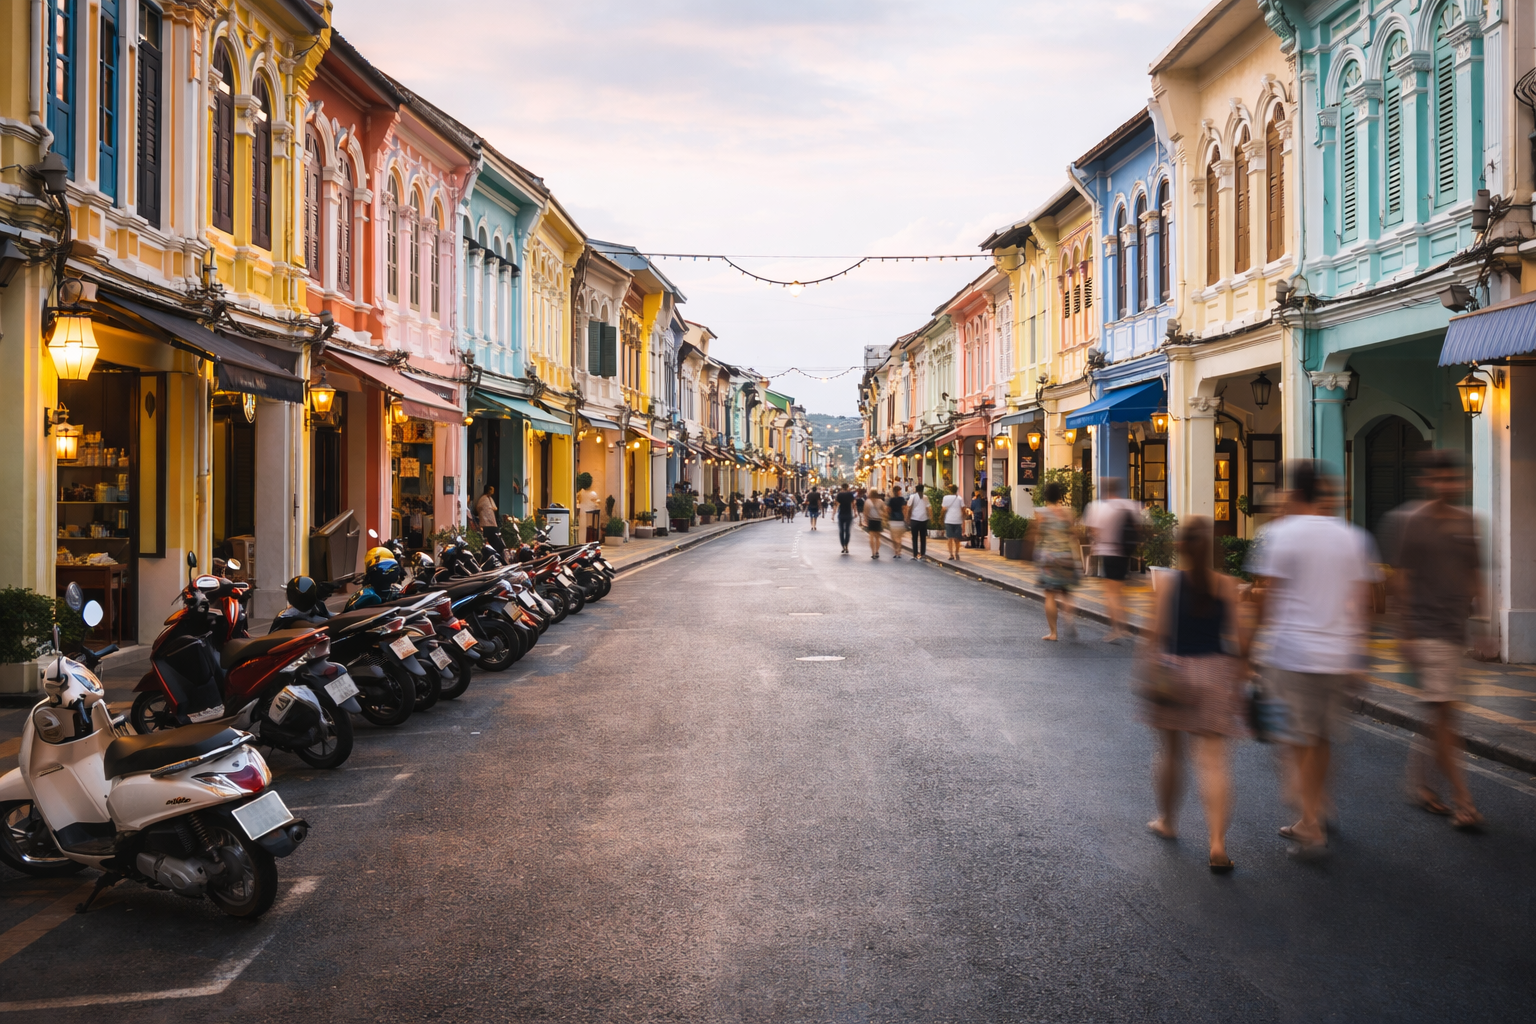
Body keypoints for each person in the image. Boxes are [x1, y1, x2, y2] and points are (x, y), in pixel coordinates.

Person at [1244, 461, 1380, 859]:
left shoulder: (1278, 534)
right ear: (1323, 493)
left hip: (1292, 655)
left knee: (1292, 740)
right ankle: (1318, 805)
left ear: (1293, 492)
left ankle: (1310, 822)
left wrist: (1249, 650)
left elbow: (1265, 599)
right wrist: (1360, 655)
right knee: (1320, 739)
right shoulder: (1354, 537)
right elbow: (1364, 603)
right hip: (1337, 656)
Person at [1383, 450, 1483, 830]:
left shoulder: (1468, 522)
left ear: (1462, 481)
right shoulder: (1412, 521)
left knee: (1438, 713)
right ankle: (1464, 800)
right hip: (1427, 632)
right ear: (1426, 481)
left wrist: (1484, 625)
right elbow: (1401, 580)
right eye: (1438, 479)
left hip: (1455, 631)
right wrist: (1404, 633)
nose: (1446, 485)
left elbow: (1474, 573)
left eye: (1452, 478)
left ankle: (1420, 784)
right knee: (1445, 717)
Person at [1140, 518, 1246, 873]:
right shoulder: (1227, 585)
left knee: (1170, 753)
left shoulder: (1168, 584)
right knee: (1214, 762)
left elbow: (1156, 633)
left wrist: (1146, 670)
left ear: (1181, 548)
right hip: (1216, 672)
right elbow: (1241, 640)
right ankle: (1217, 844)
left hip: (1174, 674)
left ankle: (1168, 820)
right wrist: (1239, 678)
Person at [1085, 478, 1142, 641]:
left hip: (1108, 552)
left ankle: (1117, 629)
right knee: (1121, 591)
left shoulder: (1098, 507)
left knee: (1111, 593)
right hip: (1124, 552)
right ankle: (1125, 627)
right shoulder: (1129, 504)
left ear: (1104, 490)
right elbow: (1139, 526)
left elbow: (1093, 531)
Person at [1034, 481, 1079, 640]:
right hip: (1066, 556)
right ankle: (1069, 619)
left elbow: (1038, 536)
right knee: (1066, 592)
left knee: (1050, 595)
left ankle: (1053, 633)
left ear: (1046, 496)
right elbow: (1073, 534)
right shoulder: (1068, 512)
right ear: (1060, 496)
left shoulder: (1041, 513)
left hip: (1049, 559)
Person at [474, 485, 504, 554]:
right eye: (491, 490)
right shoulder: (483, 499)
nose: (493, 491)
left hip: (491, 520)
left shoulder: (489, 498)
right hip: (485, 521)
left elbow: (494, 507)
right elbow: (479, 507)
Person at [941, 484, 966, 561]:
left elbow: (943, 509)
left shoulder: (945, 498)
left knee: (949, 538)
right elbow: (963, 509)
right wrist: (963, 519)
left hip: (948, 520)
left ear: (949, 490)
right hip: (958, 520)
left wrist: (941, 518)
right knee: (957, 539)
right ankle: (956, 553)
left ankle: (951, 554)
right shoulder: (959, 498)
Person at [907, 484, 930, 557]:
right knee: (923, 538)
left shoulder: (912, 497)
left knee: (914, 537)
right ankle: (922, 553)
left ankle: (915, 554)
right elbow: (929, 508)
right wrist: (930, 516)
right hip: (924, 519)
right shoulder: (925, 497)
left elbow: (909, 508)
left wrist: (907, 518)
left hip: (914, 519)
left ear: (916, 490)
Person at [886, 485, 908, 559]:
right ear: (898, 492)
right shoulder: (902, 499)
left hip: (893, 520)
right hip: (900, 520)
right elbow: (904, 509)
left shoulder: (891, 500)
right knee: (899, 537)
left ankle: (895, 551)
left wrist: (889, 516)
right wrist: (905, 518)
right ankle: (899, 551)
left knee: (893, 538)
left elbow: (888, 509)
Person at [863, 490, 886, 559]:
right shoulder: (880, 501)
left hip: (871, 520)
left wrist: (865, 520)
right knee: (878, 537)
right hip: (878, 520)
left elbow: (865, 512)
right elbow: (884, 510)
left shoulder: (868, 501)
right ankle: (877, 551)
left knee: (871, 537)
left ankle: (873, 553)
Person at [834, 485, 856, 554]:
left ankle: (843, 545)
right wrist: (855, 512)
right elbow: (854, 504)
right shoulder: (850, 494)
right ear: (848, 488)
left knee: (841, 531)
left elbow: (836, 503)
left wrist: (834, 512)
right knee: (847, 530)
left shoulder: (839, 495)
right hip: (848, 514)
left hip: (841, 514)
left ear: (842, 488)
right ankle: (846, 545)